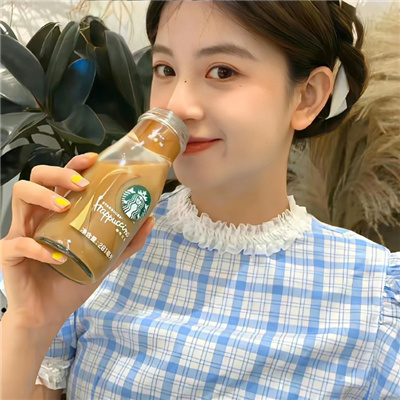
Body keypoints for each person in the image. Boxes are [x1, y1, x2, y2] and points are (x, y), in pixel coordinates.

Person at [1, 1, 399, 399]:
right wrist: (30, 322)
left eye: (223, 71)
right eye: (165, 69)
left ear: (307, 96)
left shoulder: (372, 297)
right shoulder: (101, 244)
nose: (176, 106)